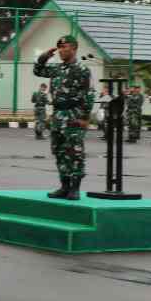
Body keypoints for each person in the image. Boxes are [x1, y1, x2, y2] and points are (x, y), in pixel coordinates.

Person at [33, 36, 94, 200]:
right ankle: (64, 186)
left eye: (64, 47)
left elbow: (89, 94)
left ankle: (75, 188)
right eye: (59, 47)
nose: (61, 50)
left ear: (74, 48)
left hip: (74, 115)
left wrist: (85, 117)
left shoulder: (82, 69)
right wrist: (44, 56)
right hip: (58, 115)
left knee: (74, 152)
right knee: (59, 151)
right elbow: (37, 71)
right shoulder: (57, 68)